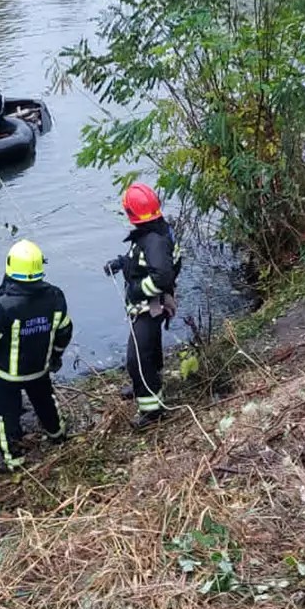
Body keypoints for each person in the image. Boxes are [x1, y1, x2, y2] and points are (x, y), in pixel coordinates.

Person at [0, 239, 72, 471]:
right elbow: (65, 330)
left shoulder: (4, 306)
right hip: (39, 370)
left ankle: (13, 460)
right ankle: (58, 437)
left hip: (7, 376)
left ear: (10, 267)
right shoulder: (56, 296)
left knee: (7, 417)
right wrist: (56, 356)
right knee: (46, 403)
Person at [104, 183, 182, 429]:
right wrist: (121, 263)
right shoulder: (156, 231)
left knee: (137, 358)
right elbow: (143, 260)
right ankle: (148, 384)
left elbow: (162, 277)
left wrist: (137, 290)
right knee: (149, 350)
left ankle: (151, 411)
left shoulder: (153, 240)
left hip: (151, 307)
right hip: (153, 306)